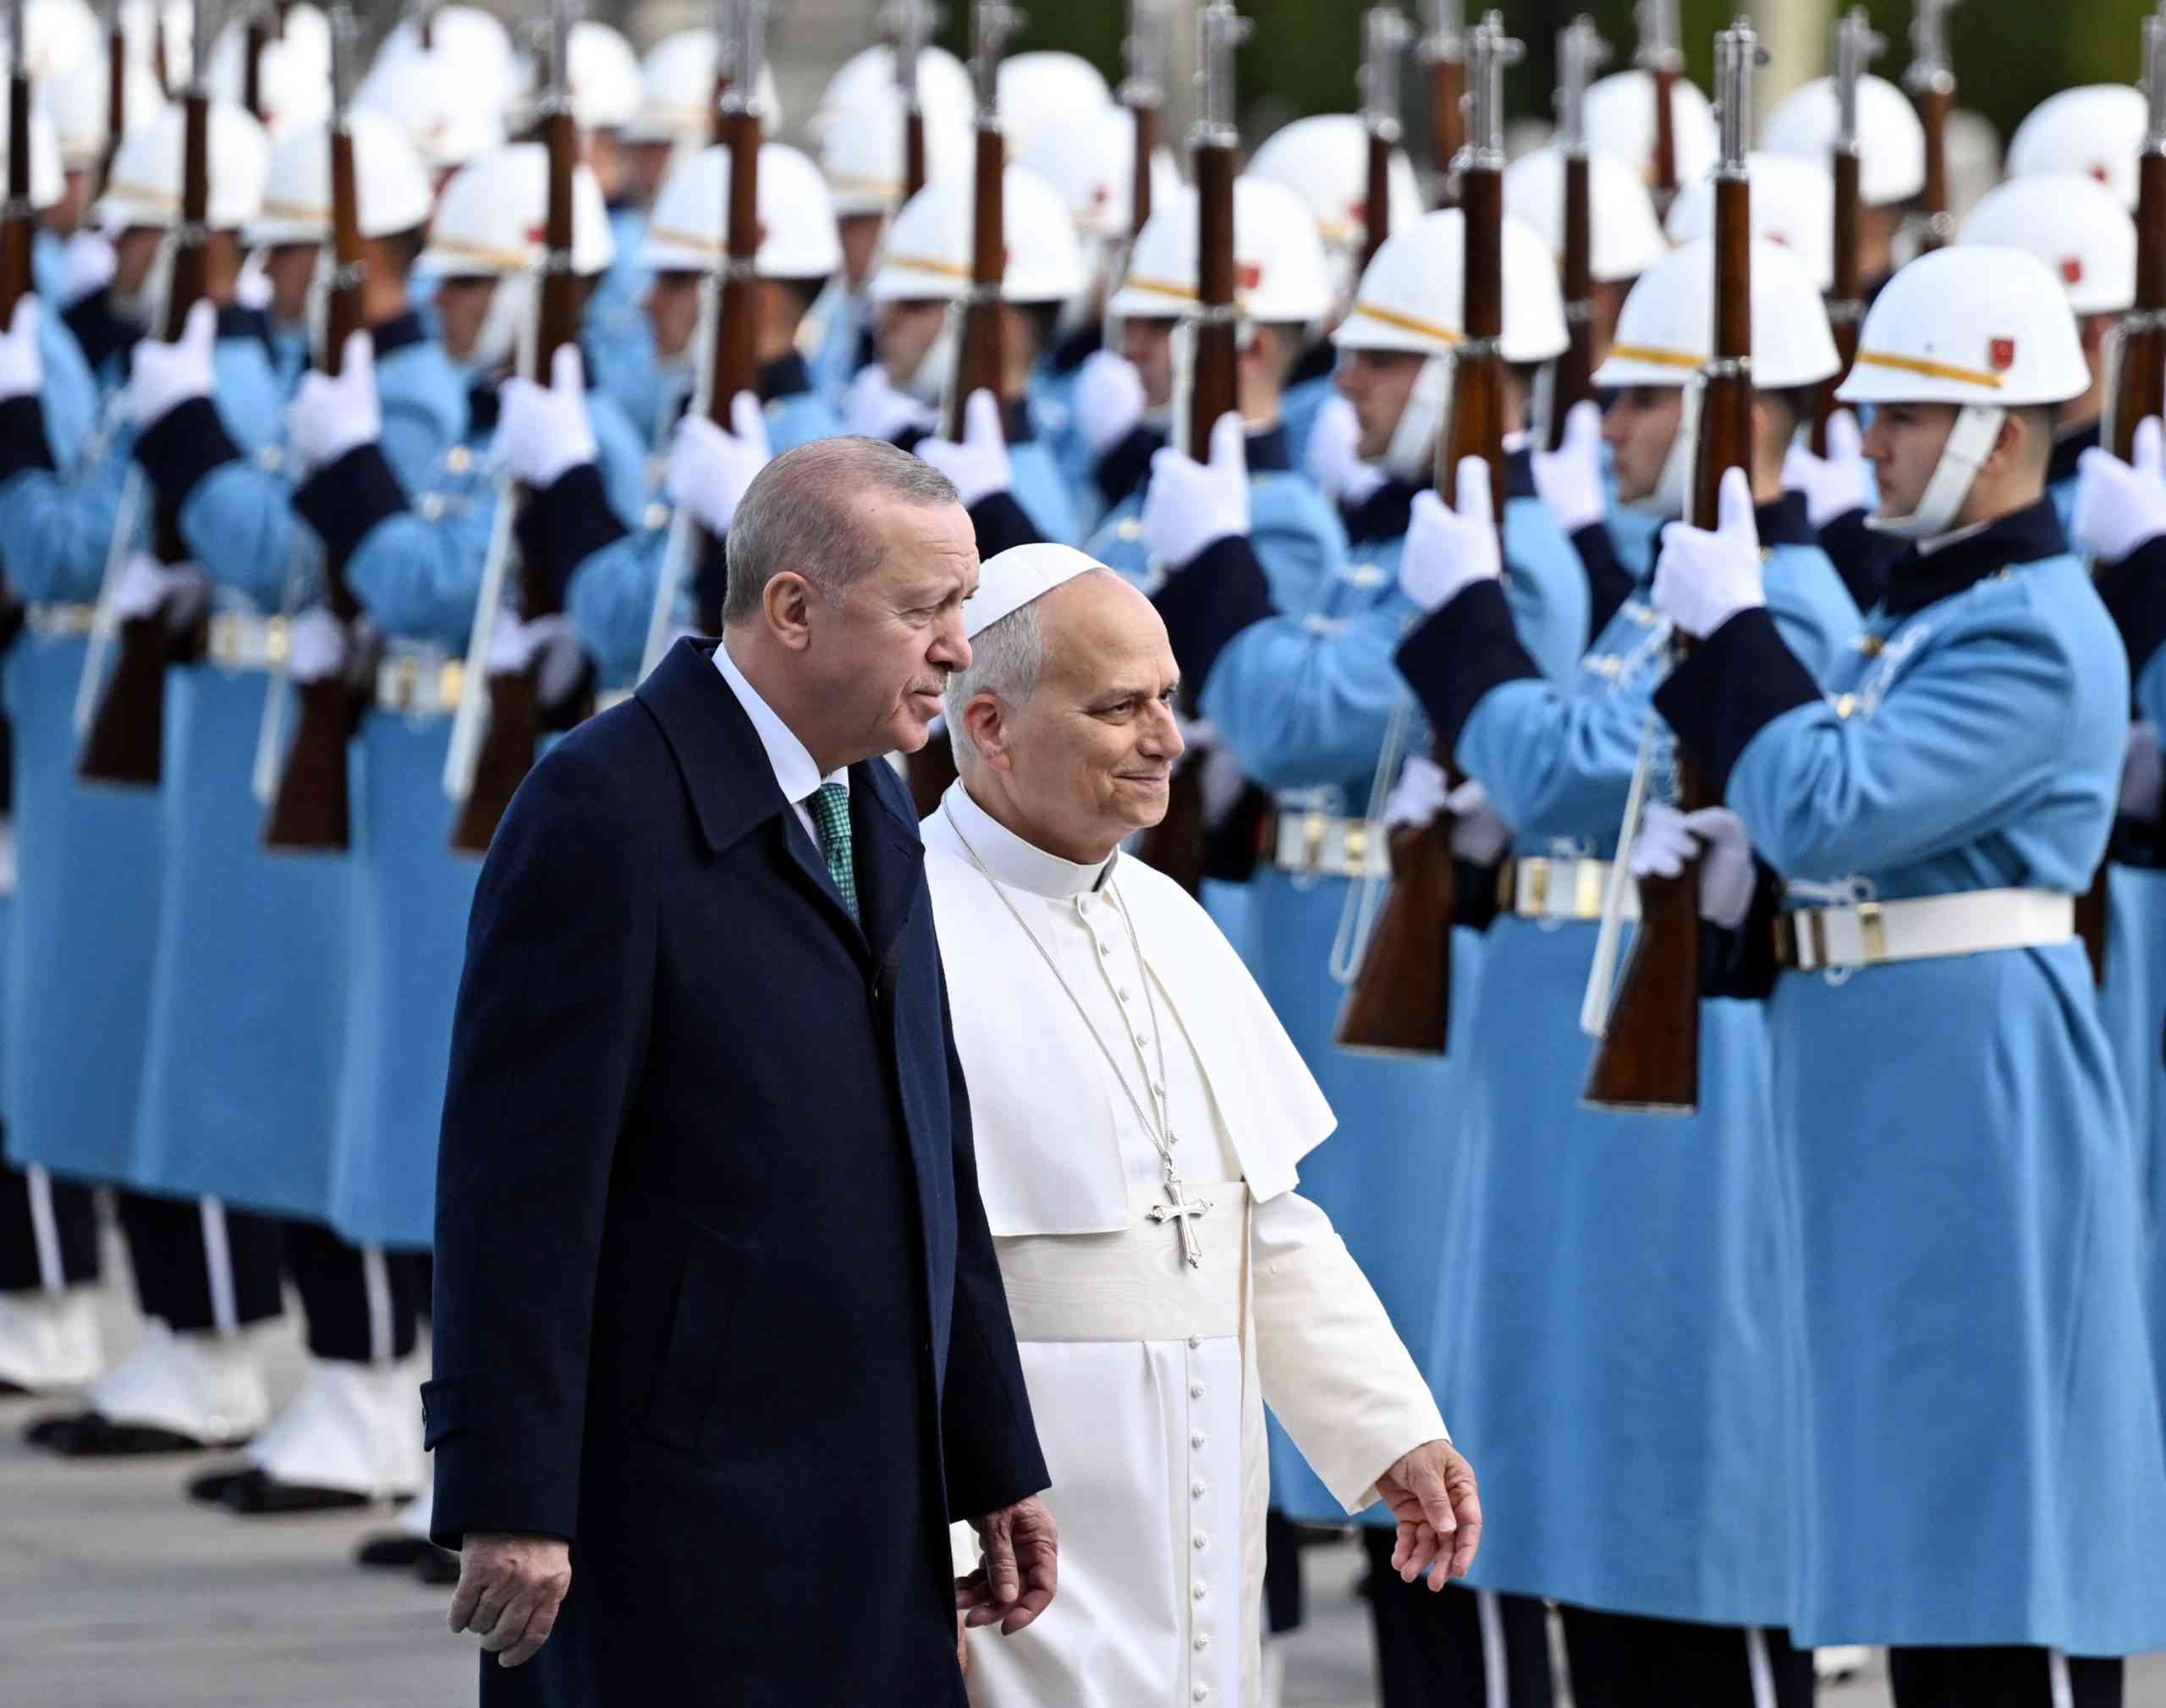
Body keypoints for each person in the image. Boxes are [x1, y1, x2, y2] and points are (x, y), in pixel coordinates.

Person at [426, 436, 1055, 1703]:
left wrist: (993, 1448)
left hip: (867, 1501)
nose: (956, 649)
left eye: (963, 611)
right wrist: (510, 1497)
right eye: (926, 610)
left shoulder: (868, 798)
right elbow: (517, 1186)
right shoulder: (603, 808)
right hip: (675, 1512)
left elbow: (932, 1145)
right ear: (793, 610)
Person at [1641, 244, 2166, 1707]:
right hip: (1897, 1077)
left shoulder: (2031, 630)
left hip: (1973, 1080)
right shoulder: (1933, 614)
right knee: (1918, 1480)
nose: (1866, 439)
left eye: (1906, 418)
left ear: (1998, 435)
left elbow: (1831, 802)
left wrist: (1740, 633)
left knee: (1998, 1497)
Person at [1387, 239, 1857, 1708]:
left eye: (1648, 400)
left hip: (1707, 1088)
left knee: (1692, 1480)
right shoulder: (1665, 600)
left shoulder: (1798, 606)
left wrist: (1468, 635)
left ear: (1736, 412)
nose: (1614, 428)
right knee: (1594, 1482)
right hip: (1603, 1068)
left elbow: (1575, 772)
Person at [1140, 203, 1587, 1706]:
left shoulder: (1506, 566)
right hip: (1329, 958)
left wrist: (1223, 574)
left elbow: (1297, 718)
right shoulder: (1409, 547)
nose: (1359, 392)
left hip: (1417, 1004)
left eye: (1392, 366)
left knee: (1416, 1367)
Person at [927, 543, 1480, 1707]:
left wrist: (1389, 1429)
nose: (1168, 740)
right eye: (1118, 708)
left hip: (1200, 1485)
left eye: (1169, 700)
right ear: (989, 723)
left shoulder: (1171, 918)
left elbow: (1261, 1221)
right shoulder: (899, 929)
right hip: (1018, 1511)